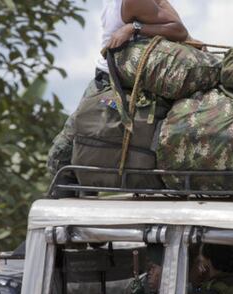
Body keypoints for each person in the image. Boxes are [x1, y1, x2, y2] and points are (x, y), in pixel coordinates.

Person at [47, 0, 189, 181]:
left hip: (111, 81)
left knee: (59, 158)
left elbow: (178, 30)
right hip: (105, 76)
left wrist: (134, 28)